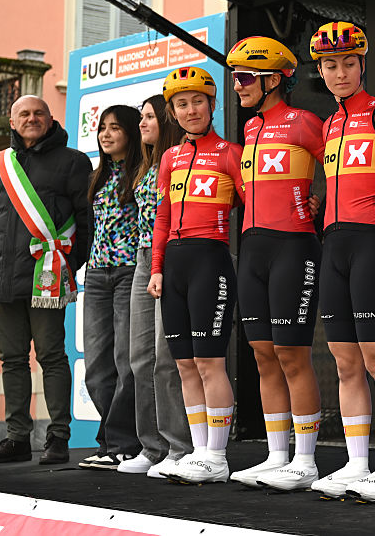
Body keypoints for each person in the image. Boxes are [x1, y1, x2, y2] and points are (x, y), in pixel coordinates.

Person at [306, 22, 375, 502]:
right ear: (320, 71)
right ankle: (357, 463)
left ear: (363, 63)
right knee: (345, 361)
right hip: (334, 245)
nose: (340, 72)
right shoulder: (329, 124)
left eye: (348, 62)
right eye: (330, 65)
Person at [227, 36, 326, 491]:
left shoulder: (305, 121)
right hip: (252, 247)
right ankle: (277, 454)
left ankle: (305, 461)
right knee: (263, 354)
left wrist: (321, 200)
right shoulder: (248, 129)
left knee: (292, 353)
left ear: (273, 79)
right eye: (234, 78)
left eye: (245, 77)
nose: (237, 86)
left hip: (292, 245)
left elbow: (344, 161)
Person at [0, 95, 93, 465]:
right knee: (12, 360)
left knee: (52, 357)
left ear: (50, 119)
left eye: (38, 113)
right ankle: (17, 438)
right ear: (12, 121)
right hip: (4, 280)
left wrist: (67, 264)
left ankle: (58, 437)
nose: (31, 118)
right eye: (23, 114)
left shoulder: (74, 162)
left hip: (48, 278)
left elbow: (85, 221)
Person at [147, 67, 244, 484]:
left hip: (211, 258)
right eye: (182, 104)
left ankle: (217, 456)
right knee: (185, 363)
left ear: (212, 104)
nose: (191, 110)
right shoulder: (170, 157)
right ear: (172, 112)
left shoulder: (230, 152)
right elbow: (163, 216)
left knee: (209, 361)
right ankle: (198, 451)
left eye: (198, 101)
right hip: (175, 262)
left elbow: (254, 204)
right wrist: (156, 268)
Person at [119, 94, 192, 478]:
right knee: (139, 356)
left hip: (172, 255)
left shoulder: (181, 155)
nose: (142, 123)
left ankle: (180, 446)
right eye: (142, 117)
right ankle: (152, 446)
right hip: (143, 258)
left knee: (167, 358)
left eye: (149, 117)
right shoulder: (148, 165)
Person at [80, 105, 144, 470]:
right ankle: (111, 440)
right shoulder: (97, 177)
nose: (106, 134)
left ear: (131, 133)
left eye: (115, 128)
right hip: (97, 275)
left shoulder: (140, 175)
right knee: (97, 367)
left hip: (128, 273)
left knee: (126, 361)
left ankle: (124, 442)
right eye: (102, 128)